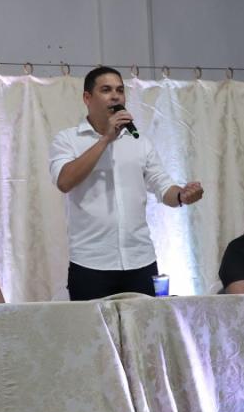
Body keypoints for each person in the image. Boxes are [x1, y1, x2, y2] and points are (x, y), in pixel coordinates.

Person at [50, 66, 204, 301]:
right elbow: (64, 181)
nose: (115, 96)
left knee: (144, 326)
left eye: (120, 90)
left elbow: (163, 186)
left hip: (140, 261)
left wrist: (182, 195)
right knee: (93, 327)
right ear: (87, 98)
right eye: (106, 90)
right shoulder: (68, 139)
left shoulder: (139, 142)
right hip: (90, 264)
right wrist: (106, 139)